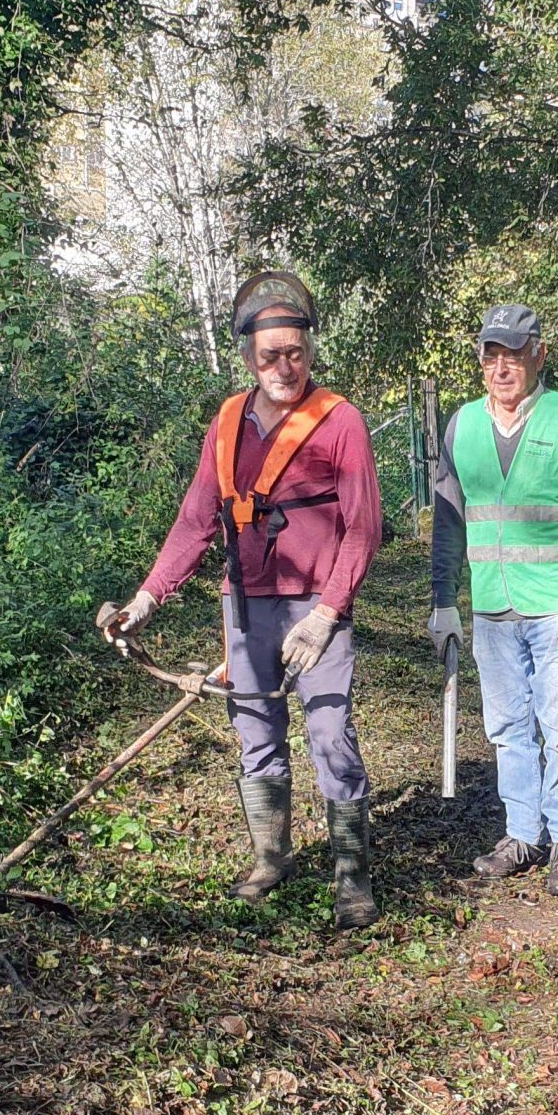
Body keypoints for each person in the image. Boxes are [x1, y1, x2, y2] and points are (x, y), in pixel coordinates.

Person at [102, 271, 385, 929]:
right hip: (247, 606)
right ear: (247, 357)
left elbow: (364, 527)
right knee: (257, 738)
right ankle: (272, 857)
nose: (284, 367)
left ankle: (352, 875)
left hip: (318, 608)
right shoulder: (228, 421)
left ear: (310, 349)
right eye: (269, 356)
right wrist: (145, 600)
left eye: (296, 352)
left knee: (331, 737)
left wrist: (326, 613)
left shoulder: (340, 421)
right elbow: (195, 522)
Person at [428, 305, 558, 898]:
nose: (501, 366)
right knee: (509, 728)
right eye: (492, 355)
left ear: (538, 354)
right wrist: (443, 598)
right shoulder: (461, 426)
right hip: (492, 606)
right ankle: (522, 833)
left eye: (513, 354)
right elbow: (448, 520)